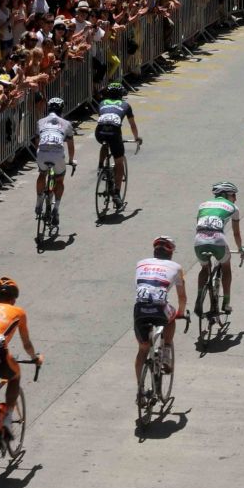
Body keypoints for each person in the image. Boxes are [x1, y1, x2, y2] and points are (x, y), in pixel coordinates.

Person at [0, 277, 42, 446]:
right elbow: (26, 344)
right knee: (15, 375)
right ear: (13, 299)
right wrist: (35, 358)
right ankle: (8, 419)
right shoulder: (18, 312)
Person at [133, 236, 186, 388]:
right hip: (159, 309)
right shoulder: (176, 267)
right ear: (171, 253)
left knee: (143, 349)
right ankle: (167, 351)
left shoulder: (140, 263)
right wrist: (181, 313)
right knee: (172, 316)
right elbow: (182, 297)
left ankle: (140, 389)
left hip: (140, 309)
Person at [193, 181, 244, 317]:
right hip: (218, 240)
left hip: (199, 240)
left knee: (204, 268)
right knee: (226, 267)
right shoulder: (233, 207)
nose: (235, 198)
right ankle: (226, 302)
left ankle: (199, 297)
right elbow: (236, 234)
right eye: (233, 195)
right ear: (226, 194)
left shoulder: (203, 205)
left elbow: (199, 224)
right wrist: (241, 248)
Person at [94, 82, 141, 210]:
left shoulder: (102, 103)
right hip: (114, 132)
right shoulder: (126, 105)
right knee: (119, 163)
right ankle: (116, 193)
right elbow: (132, 125)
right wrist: (136, 138)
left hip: (99, 132)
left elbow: (104, 117)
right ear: (121, 95)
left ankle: (100, 166)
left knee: (105, 142)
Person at [33, 96, 75, 228]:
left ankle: (38, 202)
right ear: (62, 110)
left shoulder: (40, 122)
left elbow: (37, 141)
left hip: (42, 151)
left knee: (42, 173)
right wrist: (71, 160)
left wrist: (40, 154)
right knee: (59, 180)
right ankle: (56, 208)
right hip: (57, 154)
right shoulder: (67, 123)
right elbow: (70, 146)